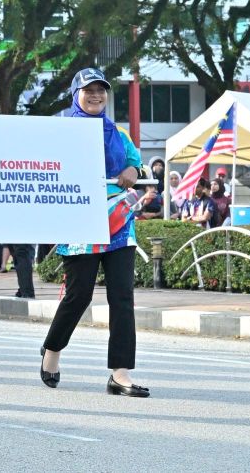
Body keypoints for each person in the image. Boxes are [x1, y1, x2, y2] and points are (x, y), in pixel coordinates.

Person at [41, 68, 149, 398]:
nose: (96, 95)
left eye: (101, 90)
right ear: (76, 94)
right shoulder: (59, 131)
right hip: (79, 225)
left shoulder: (118, 133)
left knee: (122, 298)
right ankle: (52, 352)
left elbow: (137, 164)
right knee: (79, 296)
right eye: (88, 90)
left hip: (118, 224)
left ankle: (120, 373)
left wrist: (132, 169)